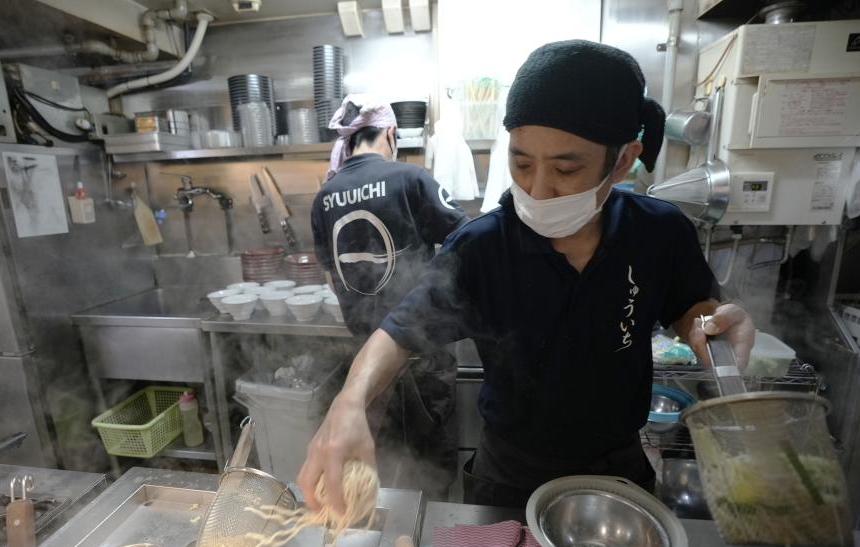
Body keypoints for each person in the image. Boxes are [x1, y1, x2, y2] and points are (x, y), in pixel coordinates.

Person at [300, 42, 756, 511]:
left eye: (566, 168)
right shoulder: (482, 247)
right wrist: (350, 400)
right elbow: (397, 334)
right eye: (521, 163)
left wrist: (712, 328)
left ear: (622, 160)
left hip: (617, 474)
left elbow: (692, 309)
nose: (537, 189)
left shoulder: (658, 231)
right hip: (508, 481)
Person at [310, 95, 468, 500]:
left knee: (378, 470)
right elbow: (467, 252)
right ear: (391, 132)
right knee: (430, 473)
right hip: (422, 359)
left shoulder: (324, 197)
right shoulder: (410, 179)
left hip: (367, 365)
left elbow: (332, 279)